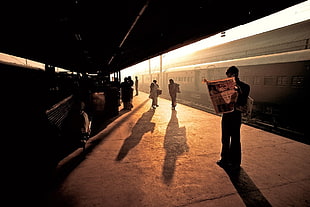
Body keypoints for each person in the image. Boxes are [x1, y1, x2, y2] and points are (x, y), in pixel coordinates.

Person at [216, 66, 250, 170]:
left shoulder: (244, 87)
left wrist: (238, 91)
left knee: (230, 138)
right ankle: (230, 160)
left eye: (229, 75)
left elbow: (244, 101)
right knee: (230, 138)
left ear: (233, 75)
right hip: (228, 114)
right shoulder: (225, 86)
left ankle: (229, 161)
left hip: (234, 115)